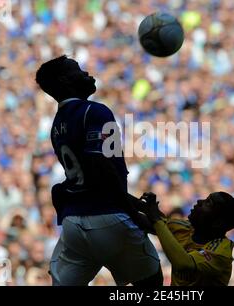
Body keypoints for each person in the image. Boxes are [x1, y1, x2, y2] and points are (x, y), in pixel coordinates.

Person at [35, 55, 162, 286]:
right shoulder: (95, 112)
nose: (87, 73)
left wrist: (139, 205)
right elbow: (101, 169)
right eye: (79, 70)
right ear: (66, 80)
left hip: (73, 224)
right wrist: (135, 215)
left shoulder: (57, 123)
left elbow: (90, 178)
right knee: (152, 284)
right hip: (108, 218)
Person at [140, 191, 234, 286]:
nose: (199, 201)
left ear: (218, 223)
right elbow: (148, 221)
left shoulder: (221, 251)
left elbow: (184, 264)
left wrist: (157, 220)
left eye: (208, 203)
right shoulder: (184, 227)